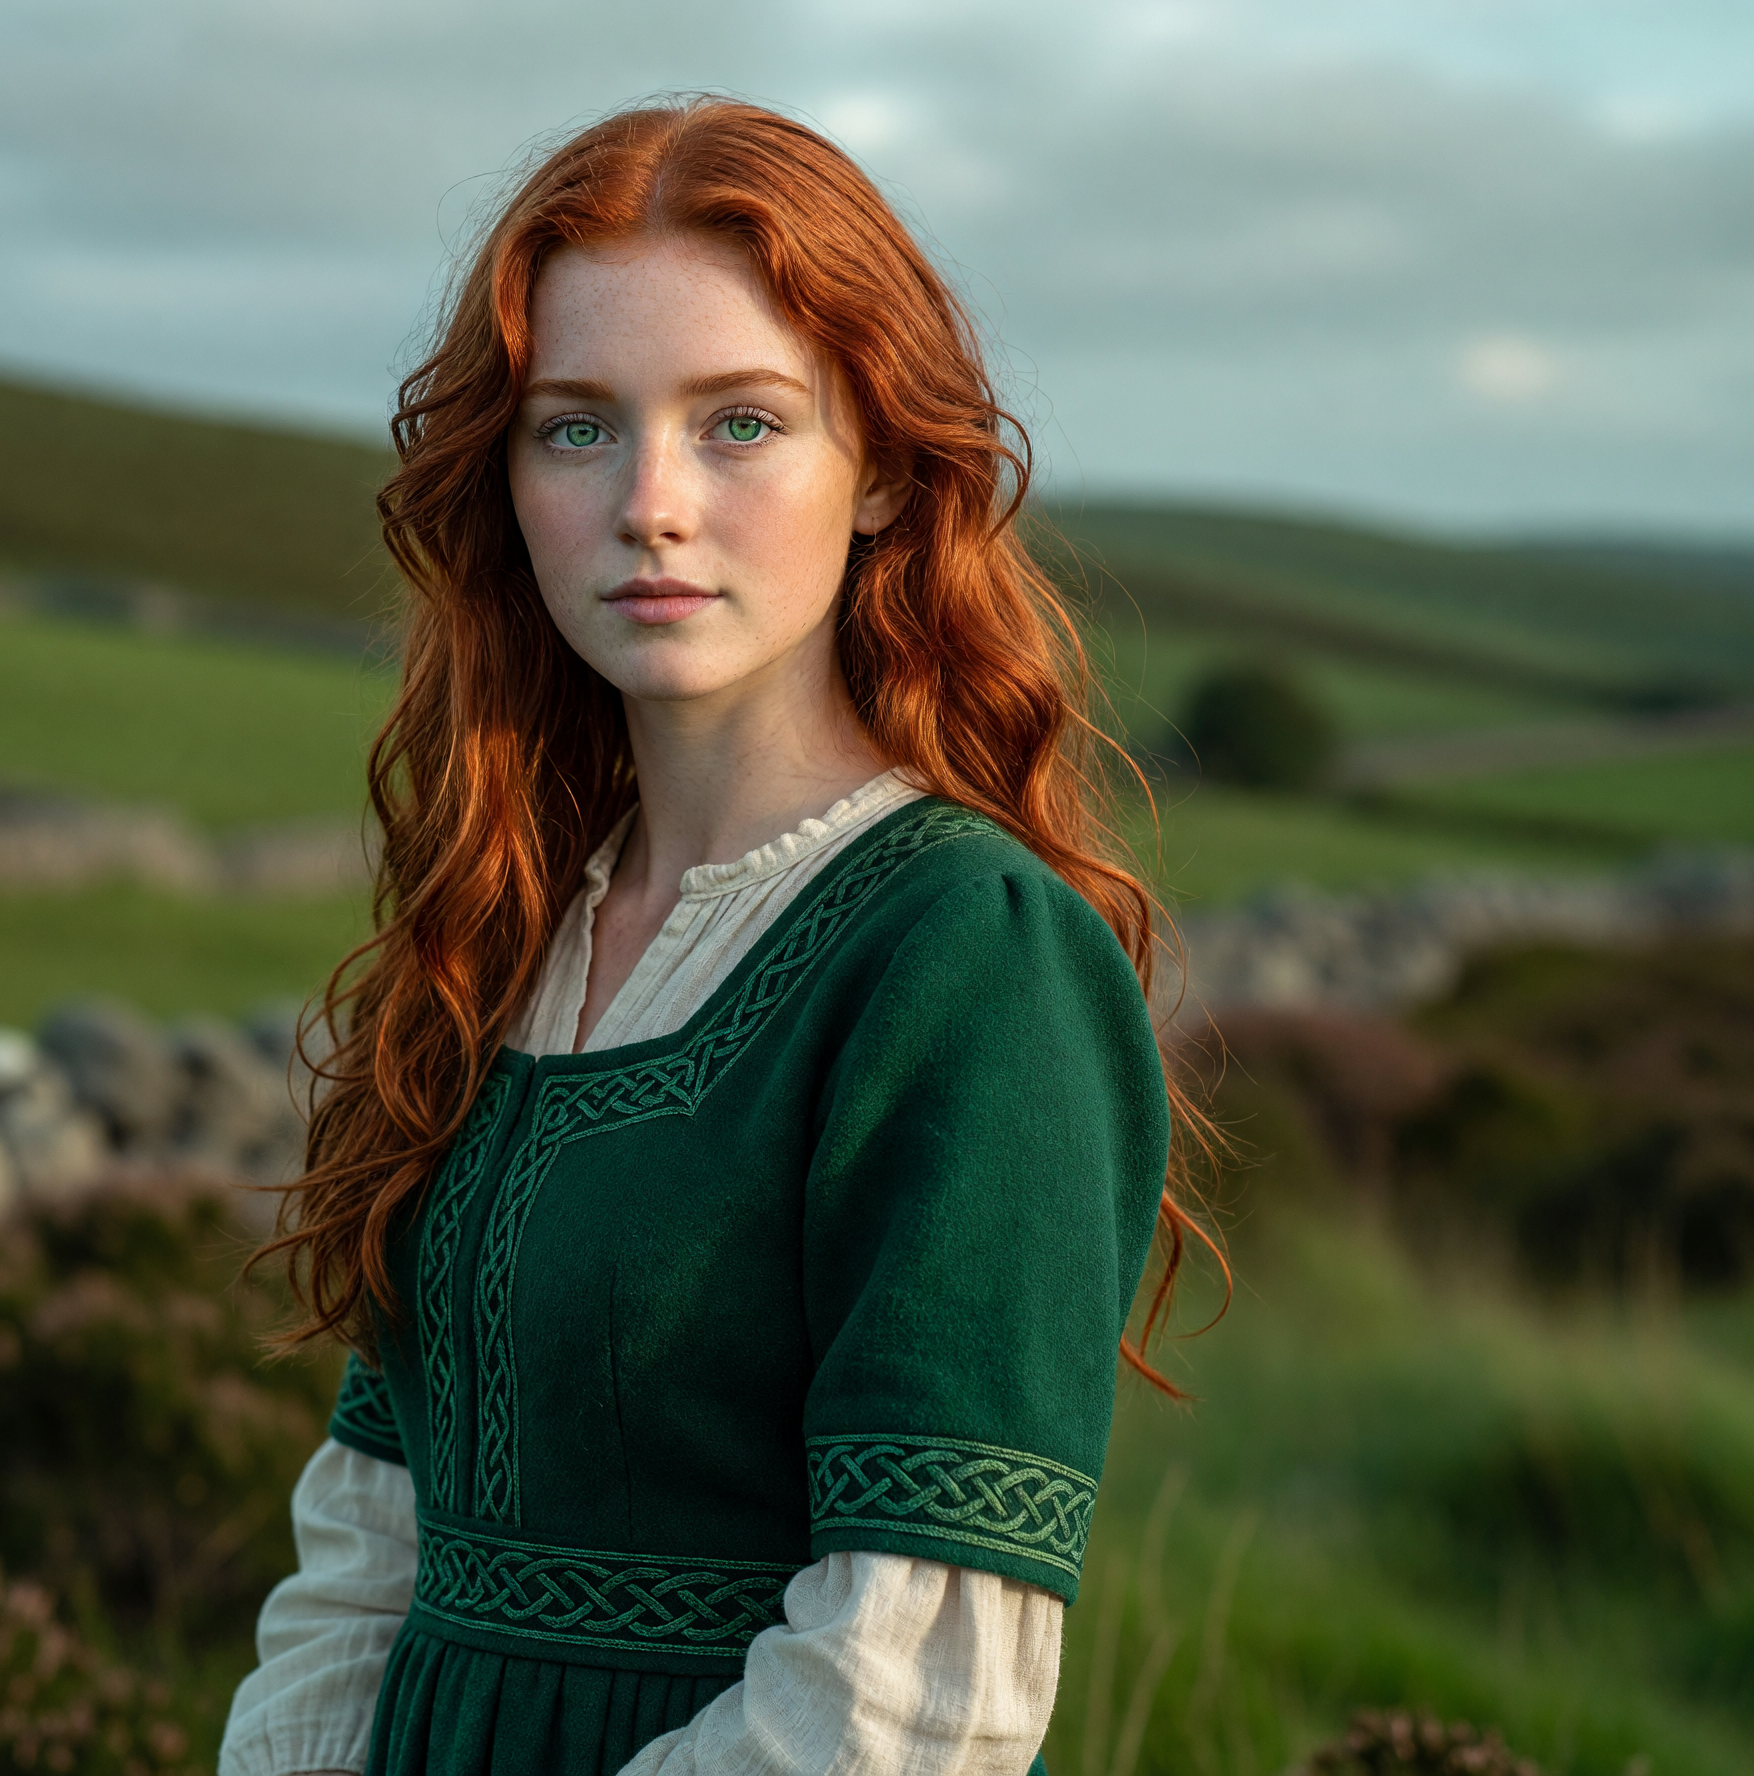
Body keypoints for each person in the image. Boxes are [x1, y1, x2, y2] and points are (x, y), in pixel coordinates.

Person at [218, 96, 1211, 1776]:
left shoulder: (967, 955)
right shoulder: (505, 939)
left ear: (886, 471)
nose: (651, 504)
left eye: (741, 424)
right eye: (576, 428)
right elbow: (371, 1548)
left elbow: (915, 1700)